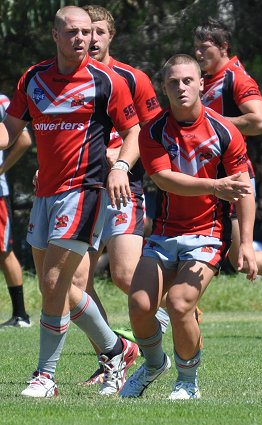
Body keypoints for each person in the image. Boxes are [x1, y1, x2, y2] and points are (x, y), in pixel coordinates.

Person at [0, 6, 141, 398]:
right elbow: (9, 131)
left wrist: (121, 168)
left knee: (52, 282)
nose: (83, 39)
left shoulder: (106, 81)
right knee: (61, 290)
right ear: (55, 35)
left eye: (86, 32)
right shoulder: (33, 78)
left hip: (85, 191)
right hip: (45, 192)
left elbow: (134, 132)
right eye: (73, 32)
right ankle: (118, 349)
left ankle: (45, 377)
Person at [119, 54, 257, 400]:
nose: (180, 87)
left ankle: (187, 382)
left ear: (200, 84)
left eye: (187, 81)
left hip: (209, 233)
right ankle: (153, 365)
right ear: (163, 87)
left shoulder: (226, 130)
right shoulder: (153, 130)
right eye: (172, 82)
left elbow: (244, 188)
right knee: (138, 305)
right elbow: (164, 180)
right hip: (164, 232)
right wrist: (214, 186)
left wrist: (248, 244)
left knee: (180, 304)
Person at [70, 5, 169, 386]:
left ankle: (178, 309)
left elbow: (153, 130)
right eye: (85, 31)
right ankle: (112, 356)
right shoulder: (68, 79)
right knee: (77, 283)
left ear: (110, 37)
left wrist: (122, 160)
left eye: (98, 32)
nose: (91, 39)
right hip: (79, 190)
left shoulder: (132, 77)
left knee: (127, 276)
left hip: (124, 187)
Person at [193, 17, 262, 285]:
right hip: (212, 177)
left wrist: (212, 121)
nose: (198, 53)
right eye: (195, 47)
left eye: (204, 47)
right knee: (233, 256)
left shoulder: (236, 78)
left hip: (234, 176)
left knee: (241, 257)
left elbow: (261, 122)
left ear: (223, 47)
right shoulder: (206, 80)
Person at [0, 93, 32, 328]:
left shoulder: (2, 102)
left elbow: (24, 140)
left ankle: (21, 315)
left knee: (3, 250)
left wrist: (1, 169)